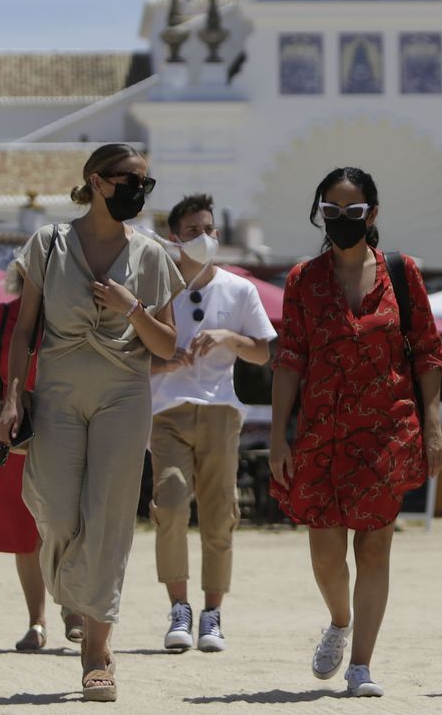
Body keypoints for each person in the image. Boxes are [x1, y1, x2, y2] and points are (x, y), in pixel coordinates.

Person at [0, 143, 182, 703]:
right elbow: (23, 330)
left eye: (146, 184)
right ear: (97, 182)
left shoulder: (151, 255)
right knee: (54, 510)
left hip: (124, 394)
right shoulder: (48, 245)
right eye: (130, 181)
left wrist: (132, 308)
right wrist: (10, 398)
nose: (139, 193)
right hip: (55, 390)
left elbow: (168, 346)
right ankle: (77, 591)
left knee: (109, 517)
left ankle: (96, 652)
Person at [269, 166, 442, 698]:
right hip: (320, 432)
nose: (340, 220)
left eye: (352, 211)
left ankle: (361, 665)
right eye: (330, 211)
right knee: (326, 553)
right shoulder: (302, 279)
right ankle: (340, 621)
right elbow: (290, 358)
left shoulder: (402, 272)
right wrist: (279, 434)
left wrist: (433, 428)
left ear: (372, 214)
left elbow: (430, 352)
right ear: (319, 212)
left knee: (373, 550)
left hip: (387, 430)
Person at [149, 193, 276, 653]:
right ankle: (179, 608)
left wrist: (229, 337)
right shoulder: (158, 287)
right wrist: (165, 362)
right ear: (174, 239)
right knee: (171, 503)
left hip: (222, 410)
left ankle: (212, 614)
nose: (203, 238)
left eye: (209, 229)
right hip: (167, 412)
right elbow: (134, 355)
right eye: (192, 232)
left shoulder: (240, 289)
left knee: (221, 513)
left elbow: (264, 352)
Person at [0, 263, 84, 650]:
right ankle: (37, 622)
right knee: (24, 534)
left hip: (66, 429)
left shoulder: (72, 316)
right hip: (16, 434)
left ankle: (71, 607)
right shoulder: (1, 317)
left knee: (67, 522)